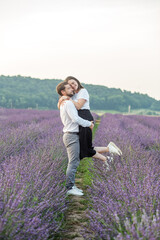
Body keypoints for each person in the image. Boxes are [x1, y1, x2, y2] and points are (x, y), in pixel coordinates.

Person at [58, 76, 122, 167]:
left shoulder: (82, 91)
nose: (73, 85)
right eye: (70, 85)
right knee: (86, 148)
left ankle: (107, 159)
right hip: (82, 120)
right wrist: (62, 99)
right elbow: (62, 104)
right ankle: (108, 151)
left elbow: (79, 106)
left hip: (85, 118)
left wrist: (69, 99)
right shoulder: (74, 94)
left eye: (73, 82)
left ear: (77, 81)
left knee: (84, 149)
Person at [56, 81, 94, 196]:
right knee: (73, 162)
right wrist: (89, 124)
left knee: (75, 161)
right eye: (69, 88)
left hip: (71, 135)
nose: (72, 89)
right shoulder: (68, 103)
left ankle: (72, 185)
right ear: (63, 91)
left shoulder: (65, 102)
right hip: (71, 135)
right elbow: (75, 119)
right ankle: (70, 187)